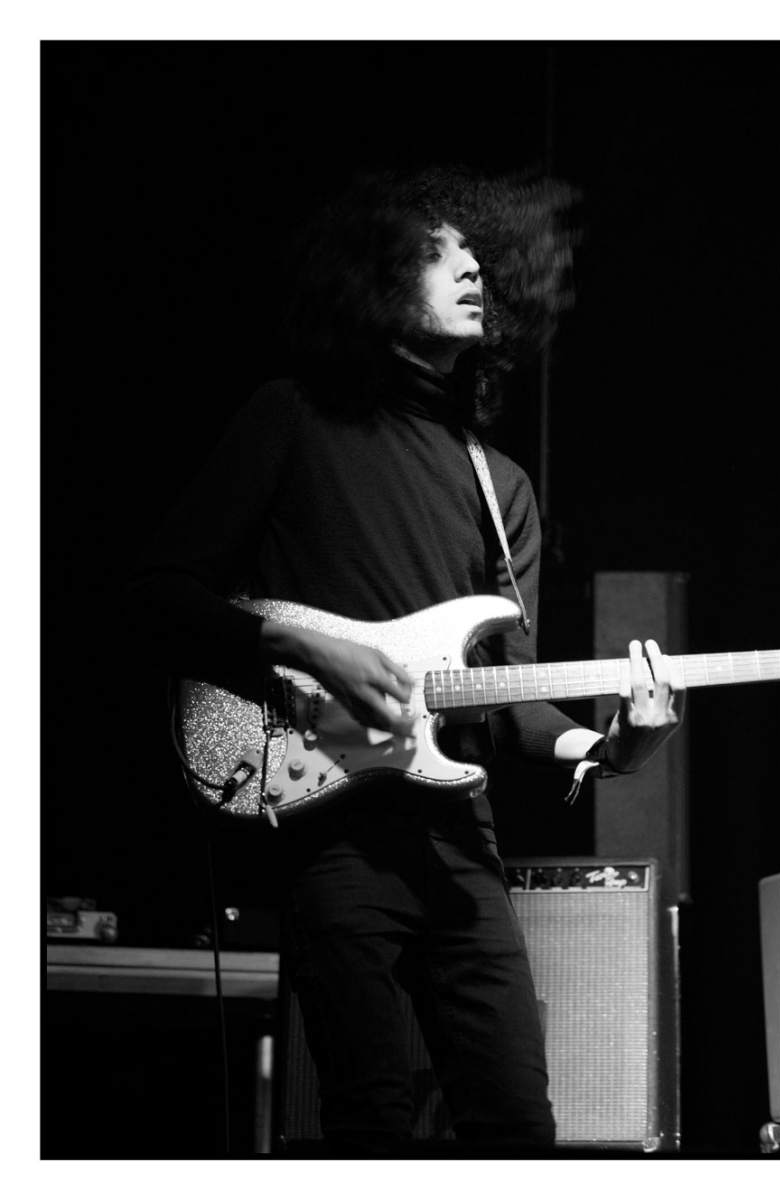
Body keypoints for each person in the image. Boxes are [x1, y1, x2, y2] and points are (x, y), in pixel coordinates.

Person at [129, 166, 684, 1156]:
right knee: (367, 1124)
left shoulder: (498, 483)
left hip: (459, 842)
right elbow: (162, 591)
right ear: (375, 278)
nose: (472, 270)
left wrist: (612, 750)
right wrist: (300, 645)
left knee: (518, 1126)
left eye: (475, 258)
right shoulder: (292, 419)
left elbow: (511, 703)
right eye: (439, 253)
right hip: (329, 829)